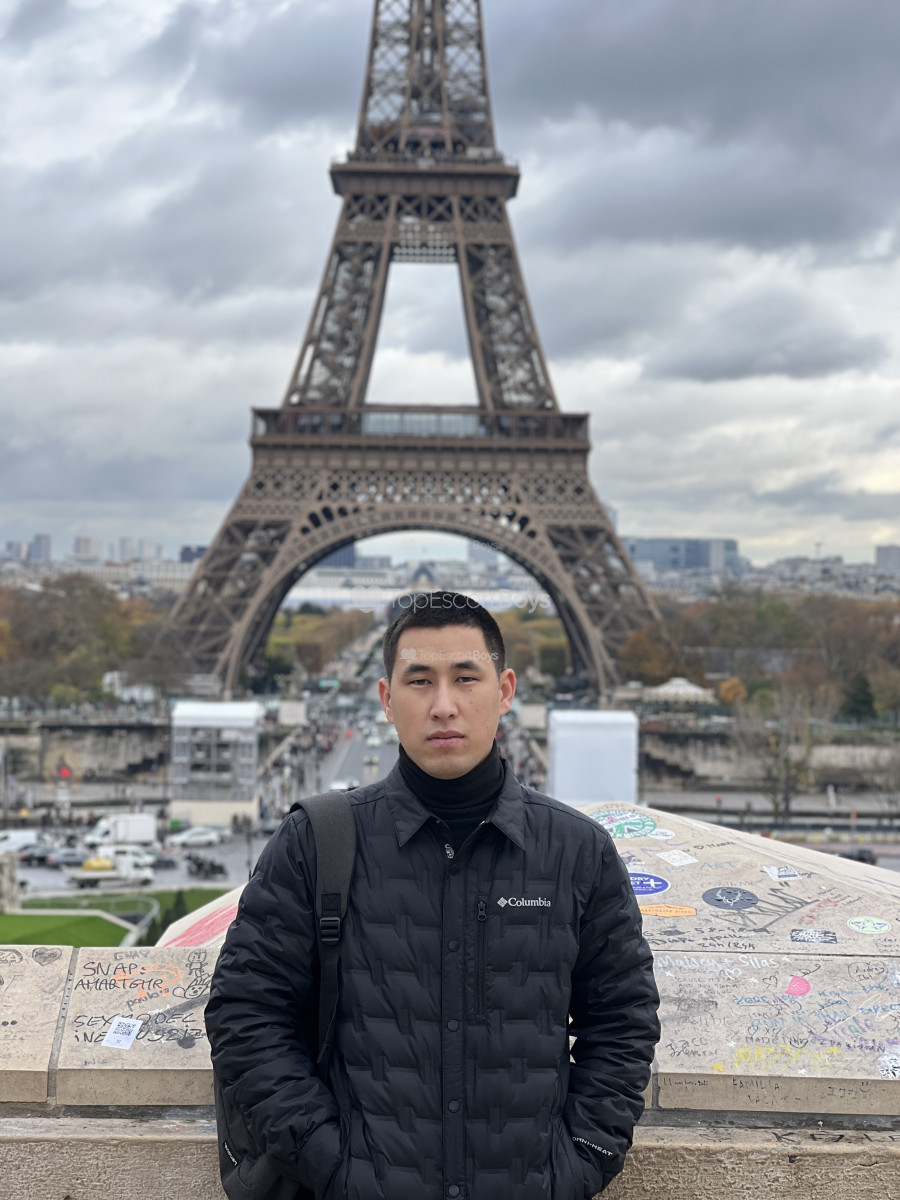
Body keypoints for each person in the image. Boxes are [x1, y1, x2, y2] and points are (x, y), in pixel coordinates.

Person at [206, 591, 660, 1200]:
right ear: (387, 699)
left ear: (504, 691)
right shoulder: (315, 843)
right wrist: (332, 1165)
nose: (444, 705)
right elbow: (246, 1011)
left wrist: (579, 1163)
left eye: (465, 678)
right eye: (420, 681)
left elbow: (623, 1021)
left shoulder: (580, 852)